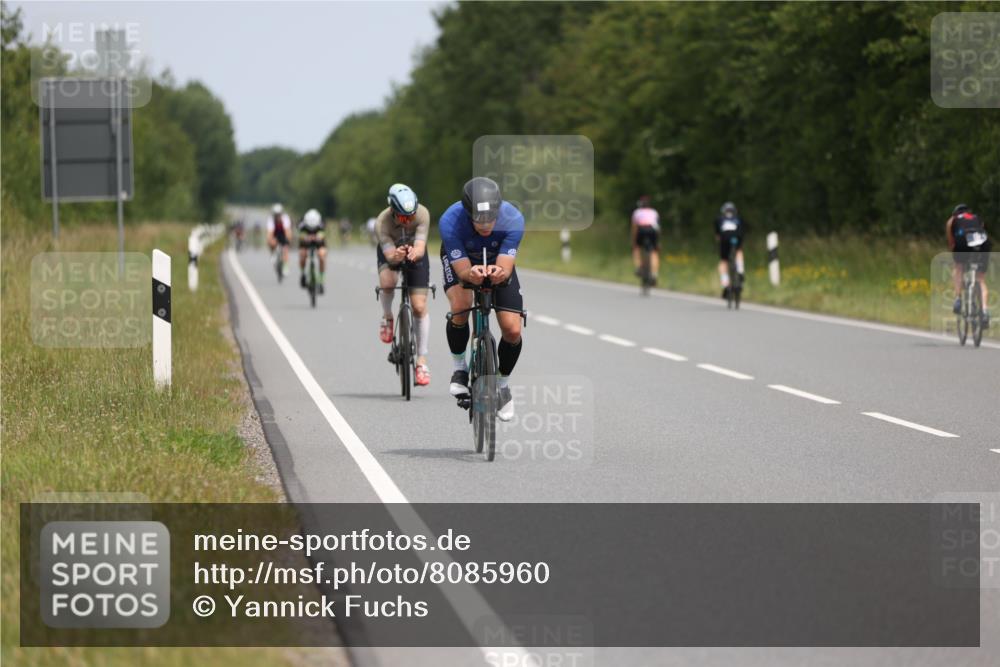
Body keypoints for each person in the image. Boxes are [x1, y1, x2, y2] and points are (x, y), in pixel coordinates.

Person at [439, 177, 525, 421]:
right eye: (479, 219)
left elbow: (505, 267)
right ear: (468, 214)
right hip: (464, 260)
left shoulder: (513, 219)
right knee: (461, 306)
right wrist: (470, 274)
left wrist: (500, 273)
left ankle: (503, 386)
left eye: (491, 218)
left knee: (512, 329)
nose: (486, 225)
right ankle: (459, 369)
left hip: (497, 259)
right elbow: (463, 271)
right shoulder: (450, 221)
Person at [376, 184, 433, 386]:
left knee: (419, 306)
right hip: (391, 251)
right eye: (403, 217)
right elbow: (390, 256)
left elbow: (420, 247)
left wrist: (414, 253)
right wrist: (395, 256)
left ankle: (421, 361)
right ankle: (387, 316)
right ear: (393, 210)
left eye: (411, 216)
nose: (408, 221)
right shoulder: (382, 222)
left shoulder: (423, 213)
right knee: (388, 282)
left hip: (414, 251)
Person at [946, 203, 990, 326]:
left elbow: (951, 243)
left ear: (955, 212)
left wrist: (955, 256)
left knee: (959, 267)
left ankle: (958, 299)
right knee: (981, 279)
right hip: (983, 243)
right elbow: (982, 231)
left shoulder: (953, 220)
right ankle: (985, 310)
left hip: (963, 242)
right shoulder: (976, 218)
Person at [714, 201, 746, 299]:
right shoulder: (739, 218)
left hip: (725, 239)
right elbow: (742, 232)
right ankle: (740, 270)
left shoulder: (719, 219)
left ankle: (726, 285)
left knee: (723, 261)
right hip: (736, 237)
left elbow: (718, 236)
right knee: (739, 251)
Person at [631, 195, 661, 284]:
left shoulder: (637, 212)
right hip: (652, 230)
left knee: (636, 249)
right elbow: (658, 228)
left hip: (641, 230)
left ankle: (638, 267)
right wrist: (658, 242)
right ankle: (654, 274)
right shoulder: (654, 212)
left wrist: (634, 241)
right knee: (654, 252)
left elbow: (634, 228)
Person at [297, 208, 327, 293]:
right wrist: (305, 237)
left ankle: (321, 280)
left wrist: (318, 237)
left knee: (322, 256)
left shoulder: (321, 223)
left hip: (318, 242)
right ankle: (303, 273)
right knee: (303, 255)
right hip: (305, 242)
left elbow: (323, 234)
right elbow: (300, 234)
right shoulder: (302, 224)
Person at [266, 203, 292, 276]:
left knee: (285, 249)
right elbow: (270, 232)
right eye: (276, 214)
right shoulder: (271, 219)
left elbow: (287, 230)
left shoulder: (285, 218)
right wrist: (270, 240)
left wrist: (288, 240)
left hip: (283, 234)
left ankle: (285, 266)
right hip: (275, 233)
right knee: (271, 242)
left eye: (279, 214)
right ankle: (273, 254)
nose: (277, 216)